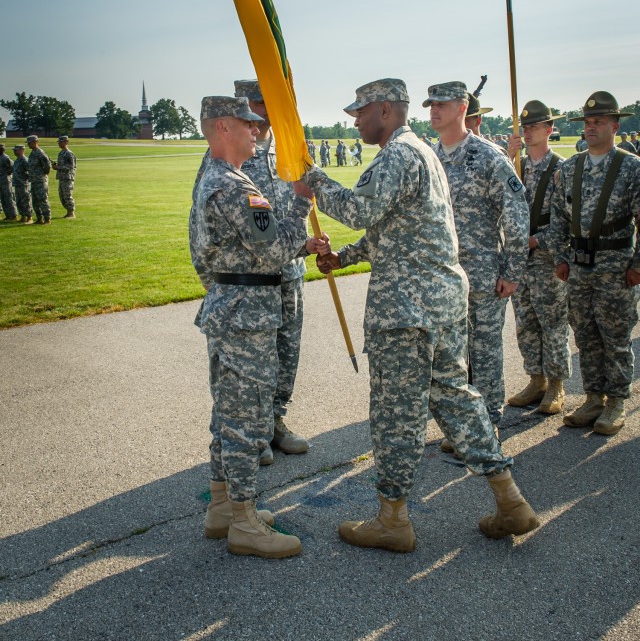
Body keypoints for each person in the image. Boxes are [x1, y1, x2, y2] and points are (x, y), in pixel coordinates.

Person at [303, 78, 539, 552]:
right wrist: (344, 258)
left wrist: (311, 180)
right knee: (456, 399)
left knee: (395, 414)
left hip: (406, 312)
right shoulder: (424, 154)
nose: (355, 120)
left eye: (361, 112)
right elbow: (396, 228)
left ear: (386, 110)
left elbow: (358, 208)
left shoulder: (398, 154)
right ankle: (510, 500)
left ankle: (393, 520)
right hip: (441, 303)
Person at [190, 94, 327, 558]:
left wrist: (298, 242)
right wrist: (300, 202)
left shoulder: (216, 177)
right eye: (248, 124)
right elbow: (272, 249)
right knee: (246, 418)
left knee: (228, 412)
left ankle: (223, 507)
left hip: (231, 306)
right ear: (224, 127)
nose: (258, 131)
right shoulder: (235, 186)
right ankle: (244, 522)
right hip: (247, 314)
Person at [193, 80, 312, 464]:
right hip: (248, 282)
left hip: (288, 272)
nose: (265, 112)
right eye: (258, 103)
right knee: (247, 367)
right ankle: (252, 435)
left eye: (271, 102)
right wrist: (220, 286)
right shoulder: (228, 160)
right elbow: (200, 232)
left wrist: (306, 245)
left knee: (285, 352)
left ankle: (275, 421)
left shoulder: (288, 150)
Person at [426, 82, 529, 434]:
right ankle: (464, 428)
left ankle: (488, 427)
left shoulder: (487, 156)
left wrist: (513, 271)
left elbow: (516, 214)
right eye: (430, 104)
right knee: (453, 357)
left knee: (484, 355)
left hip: (484, 276)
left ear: (461, 108)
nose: (433, 110)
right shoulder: (429, 157)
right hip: (443, 278)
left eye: (442, 104)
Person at [549, 91, 640, 435]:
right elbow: (557, 217)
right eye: (587, 123)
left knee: (615, 335)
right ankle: (593, 397)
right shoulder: (571, 167)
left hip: (616, 266)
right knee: (585, 334)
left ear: (615, 126)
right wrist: (560, 257)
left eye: (598, 122)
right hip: (579, 265)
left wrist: (638, 264)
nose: (590, 128)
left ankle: (616, 401)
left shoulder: (631, 168)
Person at [506, 101, 571, 415]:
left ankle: (557, 384)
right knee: (525, 322)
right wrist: (508, 157)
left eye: (534, 126)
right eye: (524, 126)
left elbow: (565, 222)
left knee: (552, 322)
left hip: (545, 256)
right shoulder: (514, 165)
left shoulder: (561, 169)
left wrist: (534, 240)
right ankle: (536, 379)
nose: (528, 131)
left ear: (550, 130)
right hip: (519, 259)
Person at [26, 135, 51, 225]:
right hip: (33, 180)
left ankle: (47, 219)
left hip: (40, 180)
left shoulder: (40, 153)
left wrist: (43, 176)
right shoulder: (32, 153)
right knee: (35, 201)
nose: (28, 144)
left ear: (35, 142)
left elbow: (47, 166)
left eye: (29, 143)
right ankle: (39, 218)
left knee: (43, 200)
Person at [51, 135, 77, 218]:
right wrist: (56, 166)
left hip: (68, 178)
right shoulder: (61, 153)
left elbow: (70, 167)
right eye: (59, 142)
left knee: (67, 195)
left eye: (61, 142)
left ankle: (71, 213)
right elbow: (62, 165)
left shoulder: (69, 153)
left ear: (66, 142)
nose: (59, 143)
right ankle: (68, 212)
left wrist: (58, 167)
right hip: (62, 177)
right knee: (62, 196)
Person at [12, 144, 33, 224]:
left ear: (22, 150)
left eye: (16, 150)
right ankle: (23, 216)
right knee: (19, 201)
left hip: (24, 184)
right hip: (17, 184)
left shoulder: (25, 160)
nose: (14, 152)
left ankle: (29, 217)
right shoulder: (17, 160)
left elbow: (30, 171)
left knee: (26, 201)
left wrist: (26, 180)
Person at [0, 143, 18, 221]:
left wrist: (7, 174)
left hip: (6, 180)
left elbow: (12, 168)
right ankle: (8, 215)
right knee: (3, 198)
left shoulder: (5, 158)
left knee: (9, 198)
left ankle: (14, 215)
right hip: (1, 180)